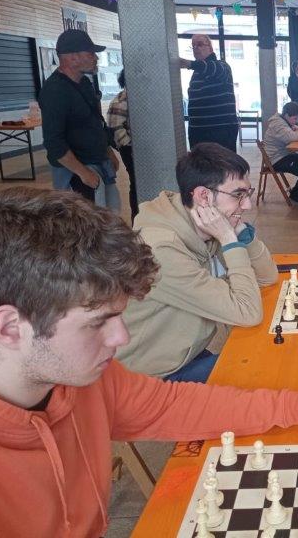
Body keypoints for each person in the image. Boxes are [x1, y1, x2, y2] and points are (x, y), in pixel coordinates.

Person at [0, 187, 298, 538]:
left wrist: (294, 405)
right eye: (97, 322)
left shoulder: (88, 380)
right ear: (10, 328)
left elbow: (173, 405)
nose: (122, 337)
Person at [117, 143, 278, 382]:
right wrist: (228, 240)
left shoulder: (202, 223)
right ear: (204, 196)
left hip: (187, 356)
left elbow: (267, 277)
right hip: (152, 378)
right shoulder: (160, 251)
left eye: (248, 193)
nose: (247, 205)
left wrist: (242, 234)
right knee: (271, 374)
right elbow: (248, 312)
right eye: (238, 195)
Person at [39, 29, 121, 209]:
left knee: (110, 214)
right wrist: (83, 173)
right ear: (72, 57)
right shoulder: (55, 91)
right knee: (87, 221)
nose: (96, 58)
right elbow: (54, 142)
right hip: (77, 173)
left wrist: (107, 151)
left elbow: (95, 122)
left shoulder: (84, 83)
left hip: (99, 163)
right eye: (90, 54)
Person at [180, 34, 239, 152]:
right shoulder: (196, 73)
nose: (196, 48)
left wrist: (189, 64)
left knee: (222, 163)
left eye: (200, 44)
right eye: (193, 46)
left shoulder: (222, 66)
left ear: (210, 48)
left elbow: (211, 68)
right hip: (198, 132)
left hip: (220, 131)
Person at [263, 101, 298, 203]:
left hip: (284, 155)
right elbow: (291, 137)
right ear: (286, 115)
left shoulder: (284, 122)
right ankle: (296, 193)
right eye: (295, 118)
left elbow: (297, 132)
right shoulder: (278, 124)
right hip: (276, 160)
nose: (296, 121)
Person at [107, 69, 138, 219]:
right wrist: (130, 148)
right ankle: (137, 219)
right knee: (136, 185)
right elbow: (116, 129)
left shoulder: (141, 98)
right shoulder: (121, 101)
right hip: (130, 150)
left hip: (144, 149)